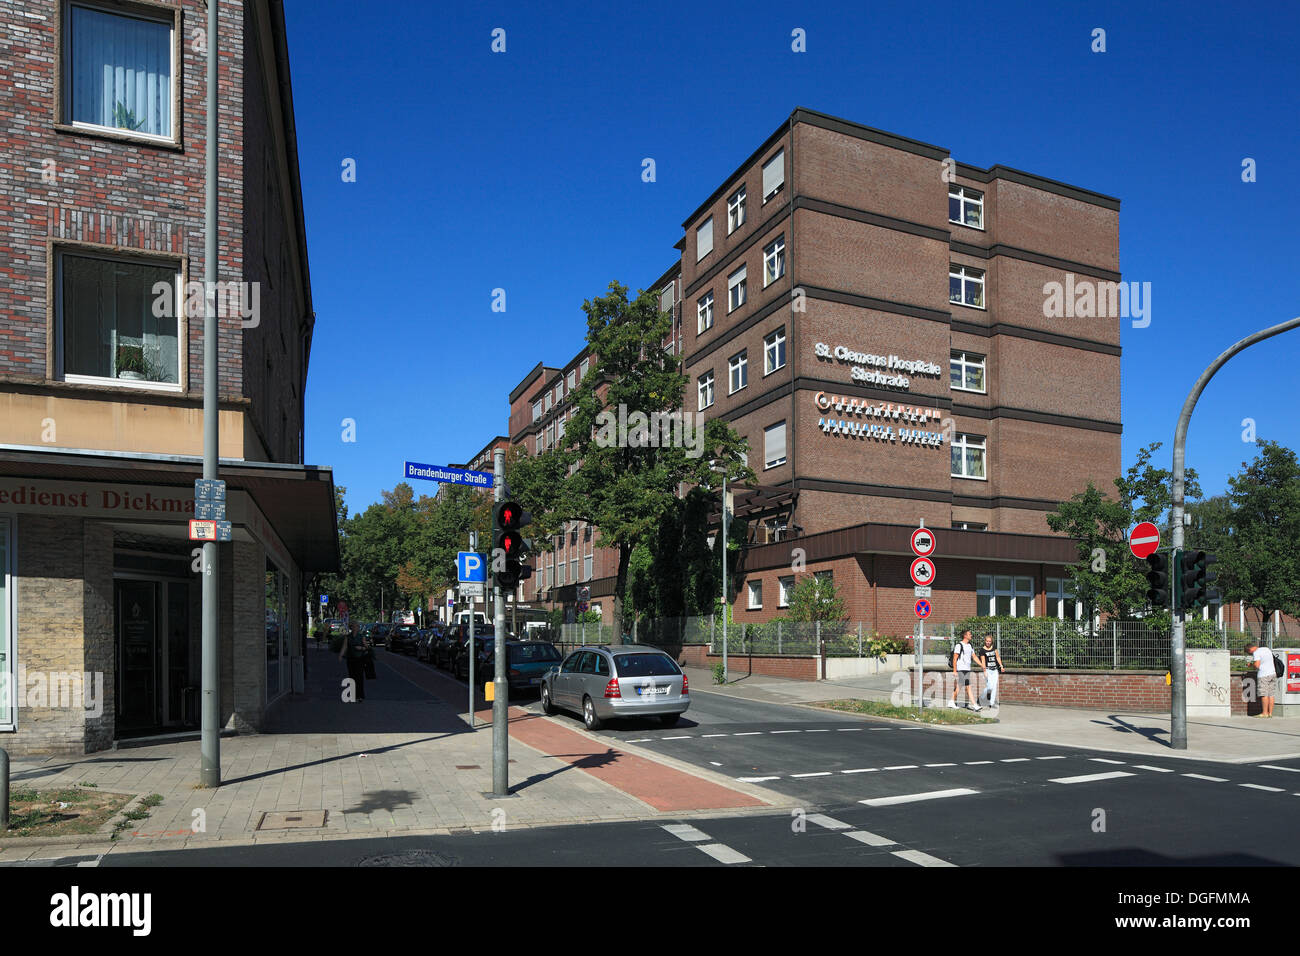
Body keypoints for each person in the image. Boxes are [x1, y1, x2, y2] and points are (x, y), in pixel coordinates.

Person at [950, 629, 983, 711]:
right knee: (968, 686)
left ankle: (951, 701)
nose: (971, 635)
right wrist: (955, 670)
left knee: (960, 686)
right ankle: (974, 705)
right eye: (969, 634)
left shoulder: (970, 645)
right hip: (961, 668)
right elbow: (955, 658)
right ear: (965, 636)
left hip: (967, 669)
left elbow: (974, 656)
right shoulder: (959, 645)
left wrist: (982, 665)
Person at [339, 620, 369, 701]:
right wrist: (341, 655)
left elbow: (367, 647)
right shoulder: (348, 637)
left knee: (359, 677)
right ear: (351, 627)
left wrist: (361, 648)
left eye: (357, 626)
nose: (356, 628)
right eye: (354, 626)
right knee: (352, 676)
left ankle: (360, 696)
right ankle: (353, 695)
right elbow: (345, 646)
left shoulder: (361, 636)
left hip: (359, 659)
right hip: (350, 658)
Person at [1246, 642, 1278, 717]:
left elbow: (1257, 665)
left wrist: (1251, 665)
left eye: (1249, 652)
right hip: (1272, 673)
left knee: (1264, 694)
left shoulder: (1256, 653)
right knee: (1271, 694)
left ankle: (1264, 713)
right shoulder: (1266, 649)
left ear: (1250, 649)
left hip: (1263, 675)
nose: (1251, 654)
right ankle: (1270, 713)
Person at [978, 633, 1004, 707]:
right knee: (989, 687)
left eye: (989, 641)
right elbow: (983, 661)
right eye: (987, 641)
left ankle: (991, 703)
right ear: (985, 641)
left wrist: (1001, 666)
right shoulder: (982, 650)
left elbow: (998, 657)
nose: (988, 642)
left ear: (991, 641)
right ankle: (981, 697)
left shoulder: (994, 648)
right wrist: (984, 671)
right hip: (988, 670)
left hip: (995, 670)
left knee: (994, 686)